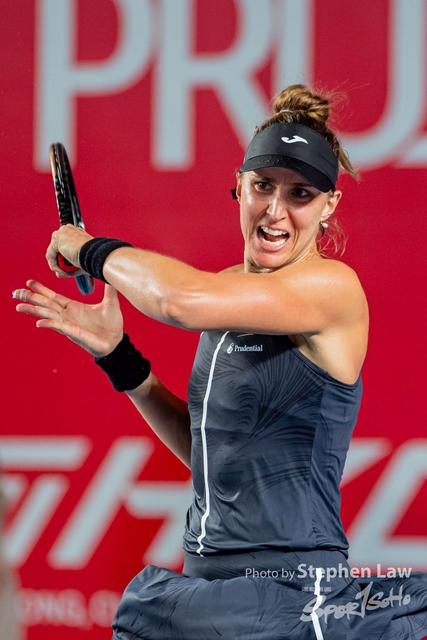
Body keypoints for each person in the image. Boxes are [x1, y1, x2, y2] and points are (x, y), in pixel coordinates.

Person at [14, 85, 427, 639]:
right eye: (263, 186)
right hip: (207, 585)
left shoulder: (333, 288)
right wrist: (120, 359)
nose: (275, 211)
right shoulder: (230, 291)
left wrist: (86, 248)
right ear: (239, 185)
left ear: (329, 205)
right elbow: (212, 455)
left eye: (300, 194)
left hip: (290, 597)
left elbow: (176, 300)